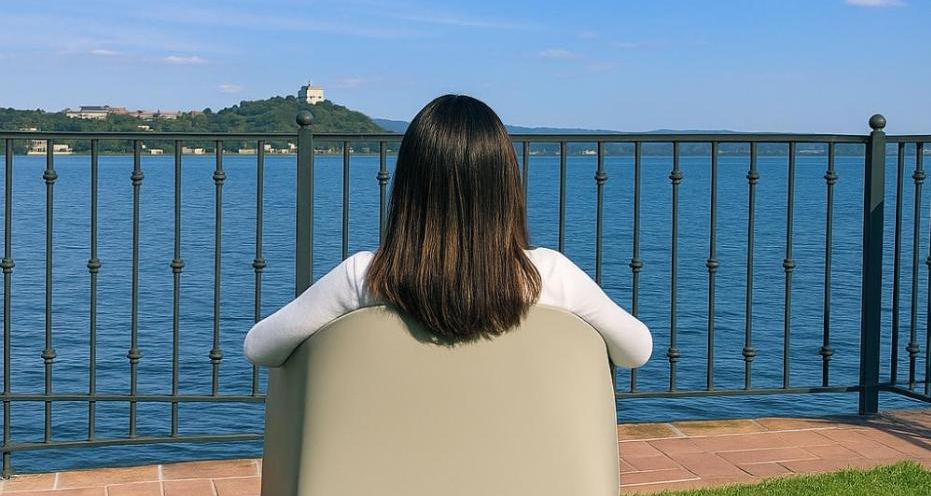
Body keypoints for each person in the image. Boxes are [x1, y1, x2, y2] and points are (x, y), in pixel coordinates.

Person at [243, 94, 653, 370]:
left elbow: (259, 348)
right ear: (505, 186)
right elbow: (637, 351)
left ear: (409, 187)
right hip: (524, 472)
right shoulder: (550, 276)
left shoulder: (363, 279)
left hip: (391, 471)